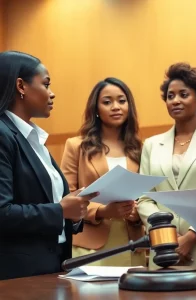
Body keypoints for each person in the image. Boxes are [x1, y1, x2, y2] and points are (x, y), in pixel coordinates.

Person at [0, 51, 97, 280]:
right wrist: (61, 210)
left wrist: (75, 208)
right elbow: (2, 213)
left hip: (52, 267)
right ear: (21, 86)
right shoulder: (3, 135)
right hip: (16, 277)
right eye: (46, 84)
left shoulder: (35, 140)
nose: (52, 94)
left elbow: (46, 202)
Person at [137, 63, 196, 271]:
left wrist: (191, 235)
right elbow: (145, 198)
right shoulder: (152, 144)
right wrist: (166, 234)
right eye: (170, 96)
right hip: (163, 248)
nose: (175, 100)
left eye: (183, 94)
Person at [61, 78, 146, 267]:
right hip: (92, 244)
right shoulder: (76, 146)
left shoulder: (142, 148)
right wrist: (101, 211)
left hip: (133, 241)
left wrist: (136, 213)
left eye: (121, 101)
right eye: (107, 102)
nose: (115, 107)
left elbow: (150, 194)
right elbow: (67, 196)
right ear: (96, 109)